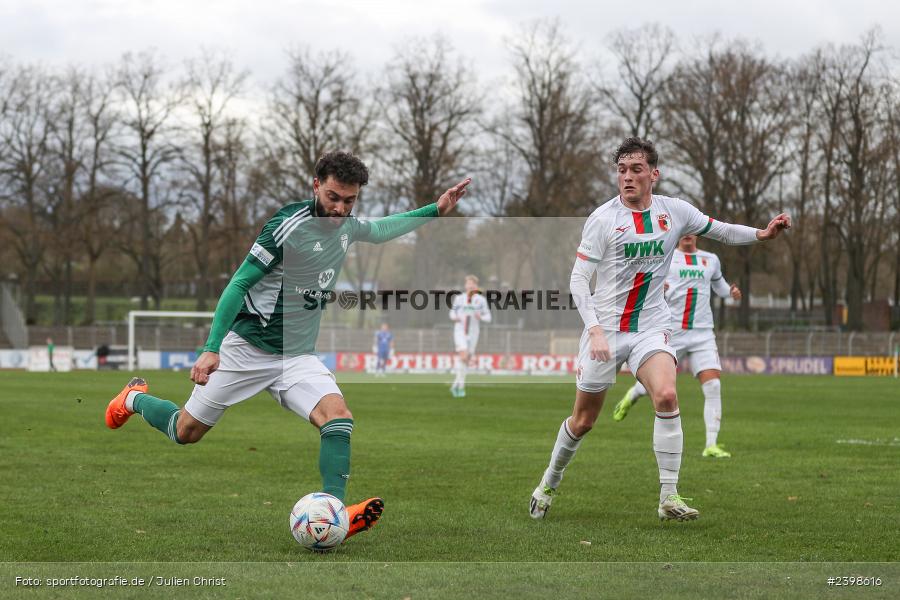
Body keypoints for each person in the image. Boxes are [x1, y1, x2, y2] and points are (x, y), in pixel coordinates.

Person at [105, 150, 471, 543]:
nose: (340, 208)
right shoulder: (286, 226)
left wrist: (436, 208)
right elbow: (239, 284)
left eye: (349, 200)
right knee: (185, 431)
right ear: (316, 185)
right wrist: (212, 348)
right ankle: (133, 399)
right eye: (333, 196)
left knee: (338, 417)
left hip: (297, 357)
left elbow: (381, 229)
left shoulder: (346, 226)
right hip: (246, 349)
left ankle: (335, 514)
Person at [529, 137, 790, 522]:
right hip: (606, 329)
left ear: (654, 173)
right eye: (621, 170)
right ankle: (548, 482)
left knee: (667, 395)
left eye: (636, 170)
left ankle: (669, 496)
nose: (627, 177)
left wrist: (762, 235)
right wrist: (596, 330)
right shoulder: (603, 220)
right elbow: (578, 281)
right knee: (583, 421)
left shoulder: (675, 212)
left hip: (651, 326)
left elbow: (721, 230)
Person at [613, 234, 741, 458]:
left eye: (692, 230)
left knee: (713, 387)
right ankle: (633, 394)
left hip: (702, 332)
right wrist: (658, 288)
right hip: (673, 331)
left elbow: (720, 287)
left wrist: (731, 293)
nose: (687, 235)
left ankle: (711, 444)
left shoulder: (710, 259)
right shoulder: (667, 258)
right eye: (683, 230)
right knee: (659, 384)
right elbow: (647, 284)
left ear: (696, 234)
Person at [448, 275, 491, 397]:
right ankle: (461, 387)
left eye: (473, 284)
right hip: (460, 331)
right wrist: (454, 317)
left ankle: (455, 385)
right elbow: (452, 312)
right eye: (468, 283)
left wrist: (480, 317)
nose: (470, 286)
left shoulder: (481, 301)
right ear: (465, 285)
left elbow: (488, 317)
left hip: (473, 332)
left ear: (476, 286)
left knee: (466, 360)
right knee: (464, 356)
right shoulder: (459, 299)